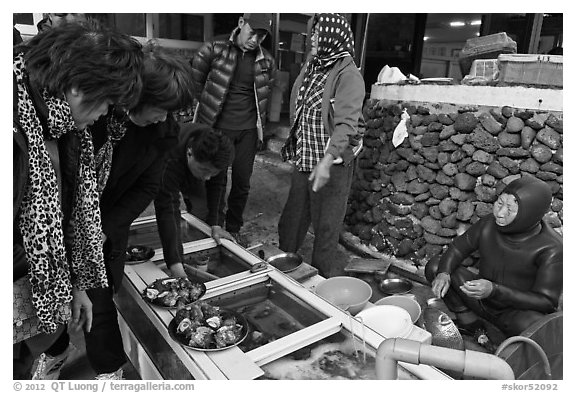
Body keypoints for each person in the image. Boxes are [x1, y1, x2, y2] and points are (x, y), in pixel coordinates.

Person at [31, 44, 195, 380]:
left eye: (171, 112)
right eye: (161, 109)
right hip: (63, 221)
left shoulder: (164, 132)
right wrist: (80, 228)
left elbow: (151, 190)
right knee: (59, 300)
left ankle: (108, 370)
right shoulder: (98, 116)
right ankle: (55, 351)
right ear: (138, 96)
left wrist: (104, 227)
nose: (165, 118)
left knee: (100, 302)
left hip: (109, 226)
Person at [13, 23, 143, 379]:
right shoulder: (16, 130)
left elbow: (70, 218)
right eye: (105, 102)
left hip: (31, 321)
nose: (105, 114)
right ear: (75, 86)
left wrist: (75, 284)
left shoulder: (66, 130)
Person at [278, 13, 365, 278]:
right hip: (306, 157)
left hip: (333, 163)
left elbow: (346, 125)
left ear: (333, 37)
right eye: (313, 32)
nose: (312, 38)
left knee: (326, 229)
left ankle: (321, 286)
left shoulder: (349, 76)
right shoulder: (314, 64)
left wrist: (327, 161)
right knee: (292, 221)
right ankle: (283, 270)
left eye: (318, 33)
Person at [425, 177, 563, 342]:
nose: (500, 213)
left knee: (536, 327)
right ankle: (468, 320)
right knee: (436, 266)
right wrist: (444, 273)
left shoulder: (552, 248)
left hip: (513, 312)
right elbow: (458, 248)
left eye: (510, 209)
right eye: (499, 203)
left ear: (530, 214)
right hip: (479, 298)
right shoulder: (489, 223)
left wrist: (494, 290)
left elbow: (545, 301)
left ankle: (510, 348)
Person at [190, 13, 276, 246]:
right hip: (218, 128)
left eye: (261, 36)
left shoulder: (266, 61)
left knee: (242, 181)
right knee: (216, 178)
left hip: (247, 130)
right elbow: (195, 85)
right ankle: (213, 224)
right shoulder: (212, 50)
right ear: (240, 24)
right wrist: (206, 119)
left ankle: (234, 227)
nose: (255, 39)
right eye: (252, 32)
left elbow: (265, 96)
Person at [155, 124, 235, 278]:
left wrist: (215, 223)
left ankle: (199, 262)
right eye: (205, 171)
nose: (207, 178)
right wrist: (175, 265)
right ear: (189, 153)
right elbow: (167, 208)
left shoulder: (220, 154)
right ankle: (177, 258)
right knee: (171, 218)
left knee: (201, 216)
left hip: (193, 169)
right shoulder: (170, 157)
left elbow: (216, 186)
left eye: (213, 172)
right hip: (172, 166)